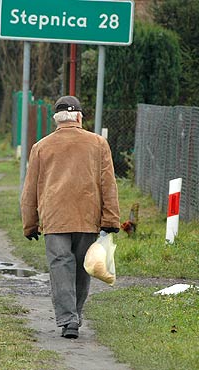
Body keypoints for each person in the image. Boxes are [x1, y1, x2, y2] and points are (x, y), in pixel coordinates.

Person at [21, 96, 120, 339]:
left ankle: (68, 320)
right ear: (79, 117)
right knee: (82, 267)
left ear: (56, 119)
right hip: (87, 217)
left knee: (60, 266)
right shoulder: (98, 144)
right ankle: (74, 314)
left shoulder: (41, 147)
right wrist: (111, 219)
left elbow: (30, 189)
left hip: (54, 219)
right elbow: (108, 184)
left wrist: (30, 223)